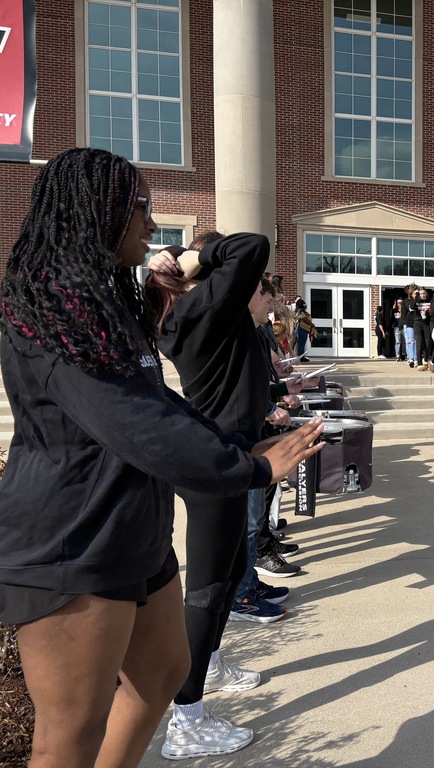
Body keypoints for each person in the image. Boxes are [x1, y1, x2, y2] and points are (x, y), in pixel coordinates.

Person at [0, 147, 323, 767]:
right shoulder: (53, 306)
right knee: (68, 735)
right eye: (140, 207)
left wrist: (234, 445)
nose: (151, 225)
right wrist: (250, 469)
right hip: (73, 542)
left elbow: (155, 403)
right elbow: (134, 421)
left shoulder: (105, 305)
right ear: (96, 211)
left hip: (133, 529)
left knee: (163, 674)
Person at [147, 234, 308, 757]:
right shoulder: (201, 314)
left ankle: (208, 664)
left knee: (232, 568)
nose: (263, 291)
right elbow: (251, 246)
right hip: (212, 464)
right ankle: (185, 721)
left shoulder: (220, 319)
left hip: (232, 454)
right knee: (210, 588)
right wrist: (191, 257)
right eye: (257, 287)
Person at [293, 297, 316, 361]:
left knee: (302, 344)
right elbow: (304, 318)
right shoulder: (300, 311)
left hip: (304, 329)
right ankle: (301, 357)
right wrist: (312, 324)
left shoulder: (300, 311)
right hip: (301, 328)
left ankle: (301, 356)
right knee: (301, 344)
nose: (305, 306)